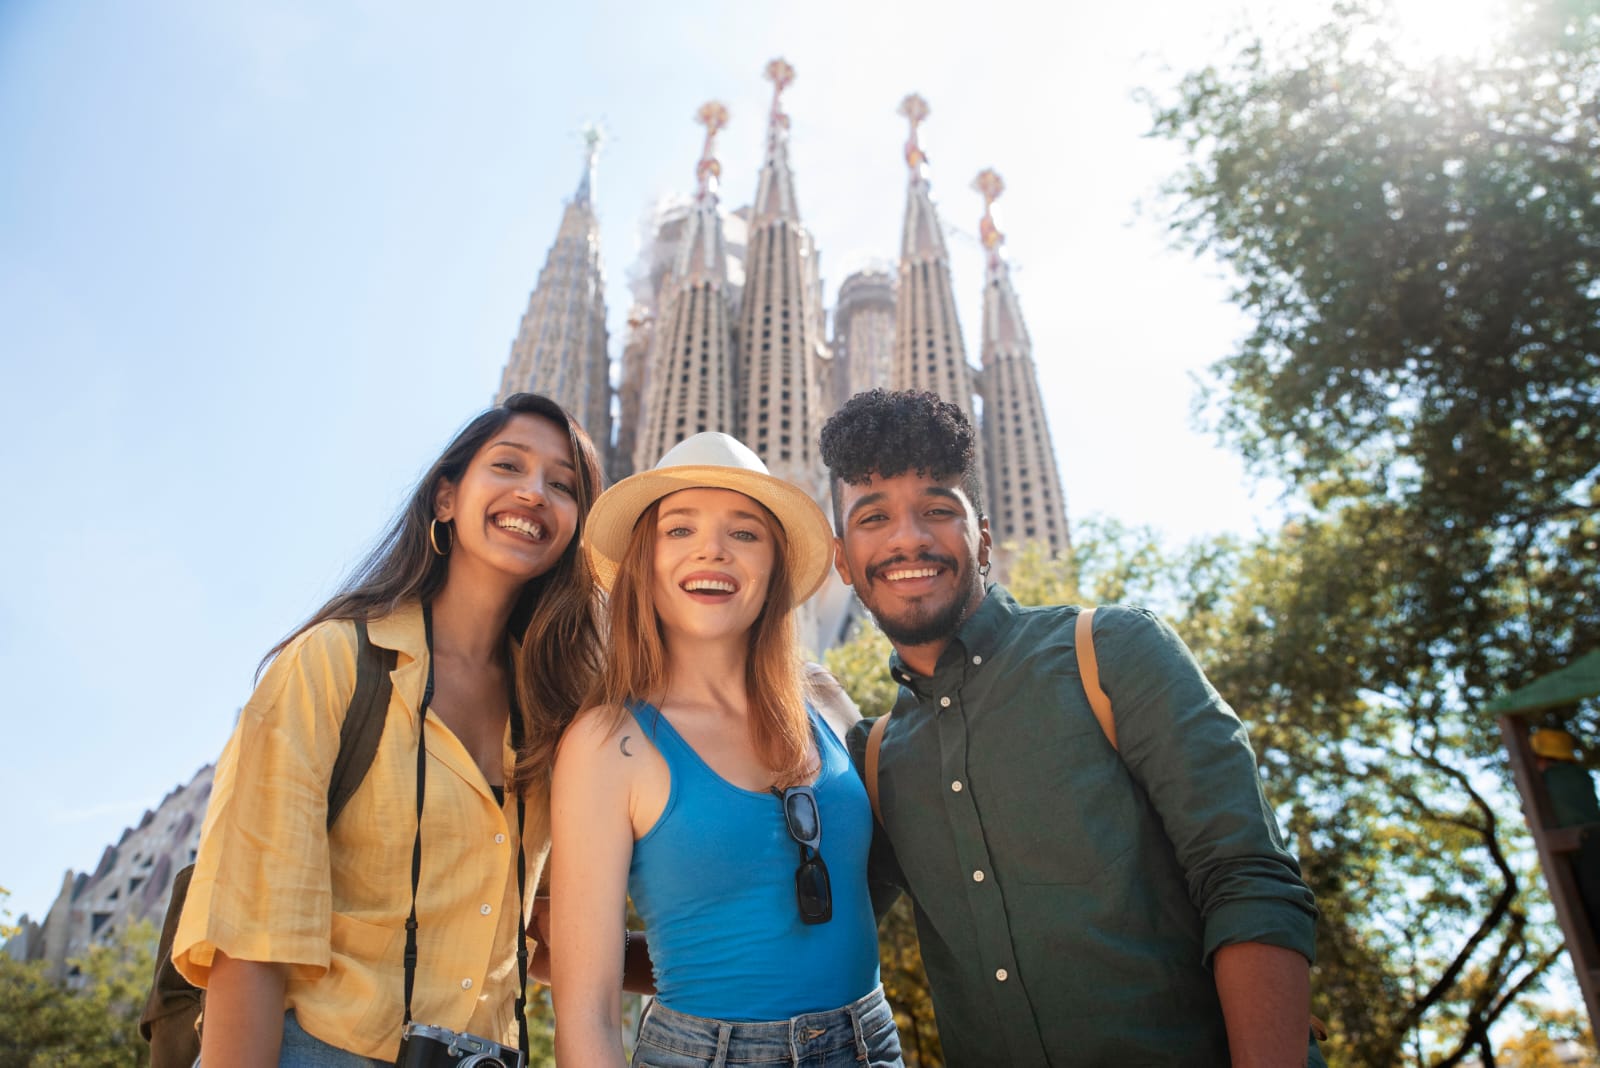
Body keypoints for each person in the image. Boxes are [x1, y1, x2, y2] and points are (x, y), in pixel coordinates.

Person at [818, 388, 1323, 1068]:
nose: (908, 537)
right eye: (873, 518)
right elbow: (809, 942)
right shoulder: (877, 761)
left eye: (938, 510)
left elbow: (1246, 878)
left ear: (984, 538)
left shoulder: (1111, 652)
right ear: (843, 561)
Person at [171, 392, 604, 1066]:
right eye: (509, 466)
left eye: (563, 485)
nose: (533, 494)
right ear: (445, 498)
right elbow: (251, 927)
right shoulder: (337, 661)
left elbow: (563, 931)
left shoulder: (557, 713)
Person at [550, 432, 902, 1067]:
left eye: (744, 533)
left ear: (772, 564)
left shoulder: (821, 698)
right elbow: (588, 1013)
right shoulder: (608, 745)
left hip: (871, 1042)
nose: (712, 550)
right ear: (643, 562)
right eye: (679, 530)